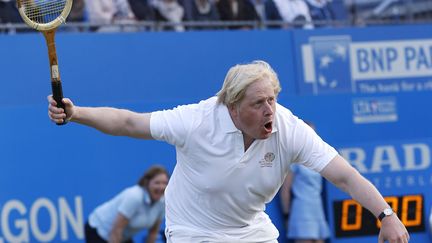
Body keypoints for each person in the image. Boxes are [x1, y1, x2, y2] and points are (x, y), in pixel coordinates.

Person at [48, 60, 409, 243]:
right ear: (232, 107)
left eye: (273, 99)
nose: (270, 110)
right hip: (193, 232)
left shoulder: (288, 127)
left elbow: (345, 175)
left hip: (250, 230)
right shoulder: (197, 121)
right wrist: (77, 113)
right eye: (258, 103)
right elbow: (129, 123)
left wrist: (386, 214)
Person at [84, 165, 169, 243]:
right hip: (98, 229)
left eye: (165, 183)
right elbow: (116, 230)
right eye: (157, 183)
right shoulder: (135, 196)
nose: (161, 187)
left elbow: (153, 232)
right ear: (147, 183)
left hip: (123, 234)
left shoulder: (163, 201)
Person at [280, 121, 330, 243]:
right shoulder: (294, 160)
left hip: (317, 209)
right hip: (301, 211)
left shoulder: (318, 159)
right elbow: (285, 190)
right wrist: (287, 215)